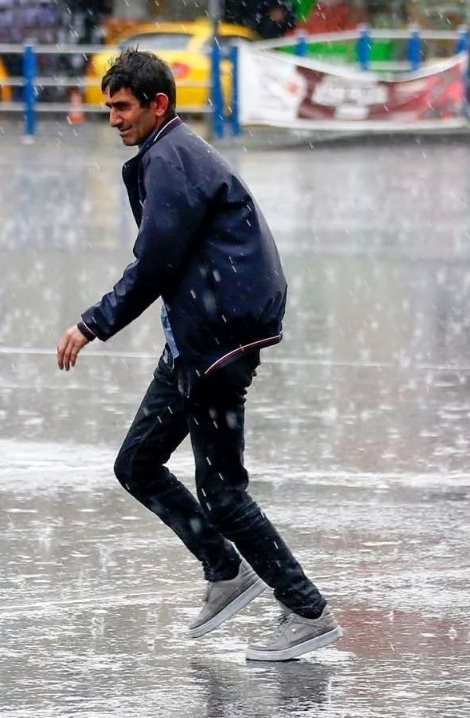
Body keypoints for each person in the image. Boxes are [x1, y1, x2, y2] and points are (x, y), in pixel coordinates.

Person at [54, 48, 341, 662]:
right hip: (194, 341)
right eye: (108, 108)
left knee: (223, 491)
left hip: (216, 343)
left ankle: (307, 610)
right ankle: (224, 570)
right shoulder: (167, 154)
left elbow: (156, 261)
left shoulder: (172, 158)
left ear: (158, 104)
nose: (114, 119)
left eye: (123, 107)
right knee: (137, 464)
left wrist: (93, 323)